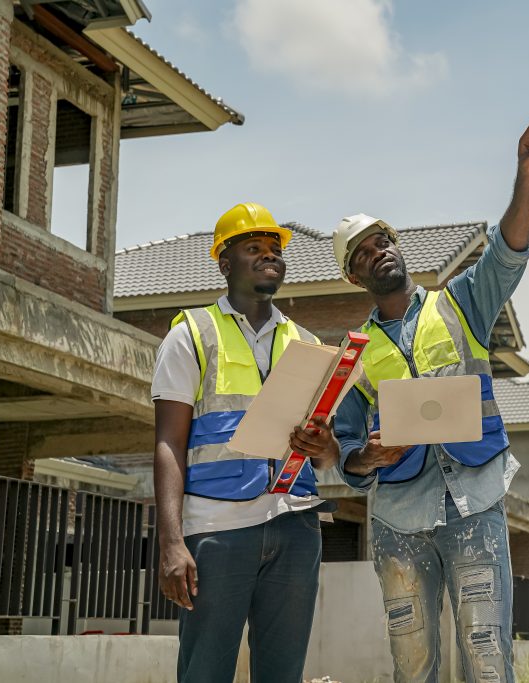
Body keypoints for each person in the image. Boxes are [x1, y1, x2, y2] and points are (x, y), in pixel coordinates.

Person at [332, 115, 529, 682]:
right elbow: (345, 455)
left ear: (397, 247)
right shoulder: (353, 355)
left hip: (474, 501)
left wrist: (526, 175)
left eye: (382, 240)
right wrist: (367, 458)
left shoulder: (459, 306)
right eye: (362, 253)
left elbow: (508, 251)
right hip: (398, 521)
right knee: (413, 665)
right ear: (355, 277)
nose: (377, 252)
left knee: (486, 654)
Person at [152, 202, 340, 683]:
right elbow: (169, 444)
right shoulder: (190, 335)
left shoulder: (307, 343)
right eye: (253, 247)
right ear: (224, 263)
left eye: (274, 249)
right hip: (217, 531)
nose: (268, 256)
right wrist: (173, 542)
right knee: (205, 671)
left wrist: (321, 445)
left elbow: (328, 455)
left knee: (283, 673)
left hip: (296, 528)